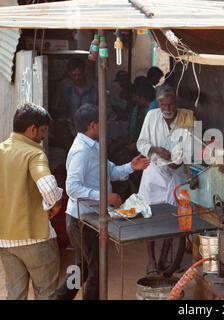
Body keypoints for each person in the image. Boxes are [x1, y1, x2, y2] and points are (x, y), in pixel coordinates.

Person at [54, 104, 150, 300]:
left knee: (83, 268)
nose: (106, 126)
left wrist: (131, 167)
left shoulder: (93, 145)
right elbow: (72, 188)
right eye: (102, 122)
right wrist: (105, 196)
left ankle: (58, 298)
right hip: (81, 220)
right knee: (95, 271)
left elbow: (110, 171)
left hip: (88, 218)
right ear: (93, 125)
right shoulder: (81, 151)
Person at [0, 103, 63, 300]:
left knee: (15, 295)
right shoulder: (34, 153)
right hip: (36, 237)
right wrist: (55, 204)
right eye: (43, 130)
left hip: (5, 239)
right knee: (46, 293)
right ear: (32, 129)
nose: (43, 136)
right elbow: (48, 188)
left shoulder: (1, 150)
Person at [137, 84, 194, 274]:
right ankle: (151, 260)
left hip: (176, 173)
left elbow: (189, 147)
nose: (167, 109)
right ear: (158, 103)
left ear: (176, 102)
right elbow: (142, 143)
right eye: (163, 105)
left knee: (173, 216)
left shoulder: (186, 116)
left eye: (170, 105)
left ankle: (164, 259)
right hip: (154, 172)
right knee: (148, 215)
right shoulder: (151, 116)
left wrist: (177, 162)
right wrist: (156, 150)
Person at [53, 58, 98, 123]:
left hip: (91, 128)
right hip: (71, 129)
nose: (76, 78)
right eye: (74, 75)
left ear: (84, 73)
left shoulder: (94, 89)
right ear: (69, 74)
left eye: (79, 75)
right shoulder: (66, 90)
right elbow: (60, 112)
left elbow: (105, 110)